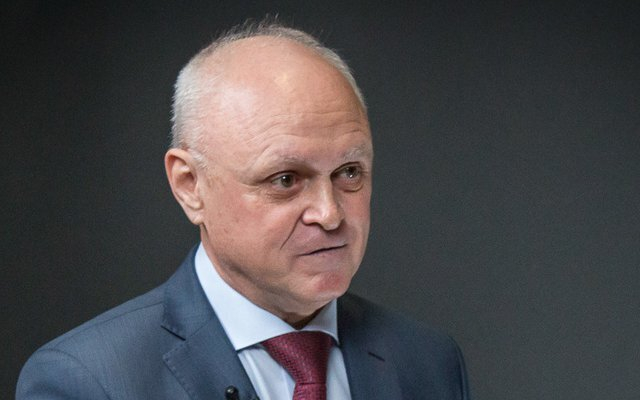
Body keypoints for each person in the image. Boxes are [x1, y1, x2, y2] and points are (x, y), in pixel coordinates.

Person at [17, 20, 471, 400]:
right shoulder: (87, 381)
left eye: (349, 172)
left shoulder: (428, 361)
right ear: (190, 186)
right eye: (285, 180)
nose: (330, 214)